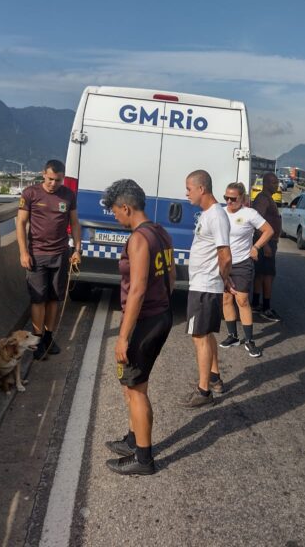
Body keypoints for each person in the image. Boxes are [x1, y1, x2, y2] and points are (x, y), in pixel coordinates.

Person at [102, 179, 175, 476]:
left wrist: (122, 337)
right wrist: (165, 307)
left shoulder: (139, 239)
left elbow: (138, 289)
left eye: (115, 212)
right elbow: (171, 273)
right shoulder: (161, 232)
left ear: (126, 207)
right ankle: (133, 440)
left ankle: (143, 458)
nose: (115, 217)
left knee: (136, 389)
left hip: (144, 321)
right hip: (160, 316)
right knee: (132, 384)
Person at [16, 160, 81, 360]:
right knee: (38, 299)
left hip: (60, 254)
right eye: (51, 179)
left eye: (58, 180)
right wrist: (23, 252)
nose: (54, 184)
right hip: (37, 254)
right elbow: (21, 223)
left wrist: (77, 249)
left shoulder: (68, 195)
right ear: (43, 174)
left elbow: (75, 223)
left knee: (54, 298)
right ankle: (37, 339)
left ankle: (49, 338)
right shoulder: (30, 193)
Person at [181, 169, 232, 407]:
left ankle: (204, 392)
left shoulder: (216, 216)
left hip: (205, 285)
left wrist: (222, 279)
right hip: (203, 284)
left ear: (202, 189)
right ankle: (214, 378)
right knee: (206, 334)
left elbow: (225, 254)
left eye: (189, 189)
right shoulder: (208, 214)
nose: (187, 193)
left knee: (199, 336)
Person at [219, 182, 274, 358]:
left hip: (242, 263)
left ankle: (249, 340)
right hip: (223, 263)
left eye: (233, 198)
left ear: (242, 198)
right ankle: (232, 336)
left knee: (241, 299)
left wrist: (256, 247)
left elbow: (268, 230)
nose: (229, 201)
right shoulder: (220, 213)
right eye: (226, 197)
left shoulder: (249, 214)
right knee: (226, 299)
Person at [251, 172, 282, 322]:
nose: (277, 185)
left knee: (261, 274)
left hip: (268, 243)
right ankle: (266, 308)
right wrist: (265, 245)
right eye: (274, 182)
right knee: (268, 275)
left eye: (277, 182)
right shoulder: (263, 199)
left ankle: (256, 303)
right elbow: (257, 223)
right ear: (266, 183)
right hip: (266, 243)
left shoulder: (268, 198)